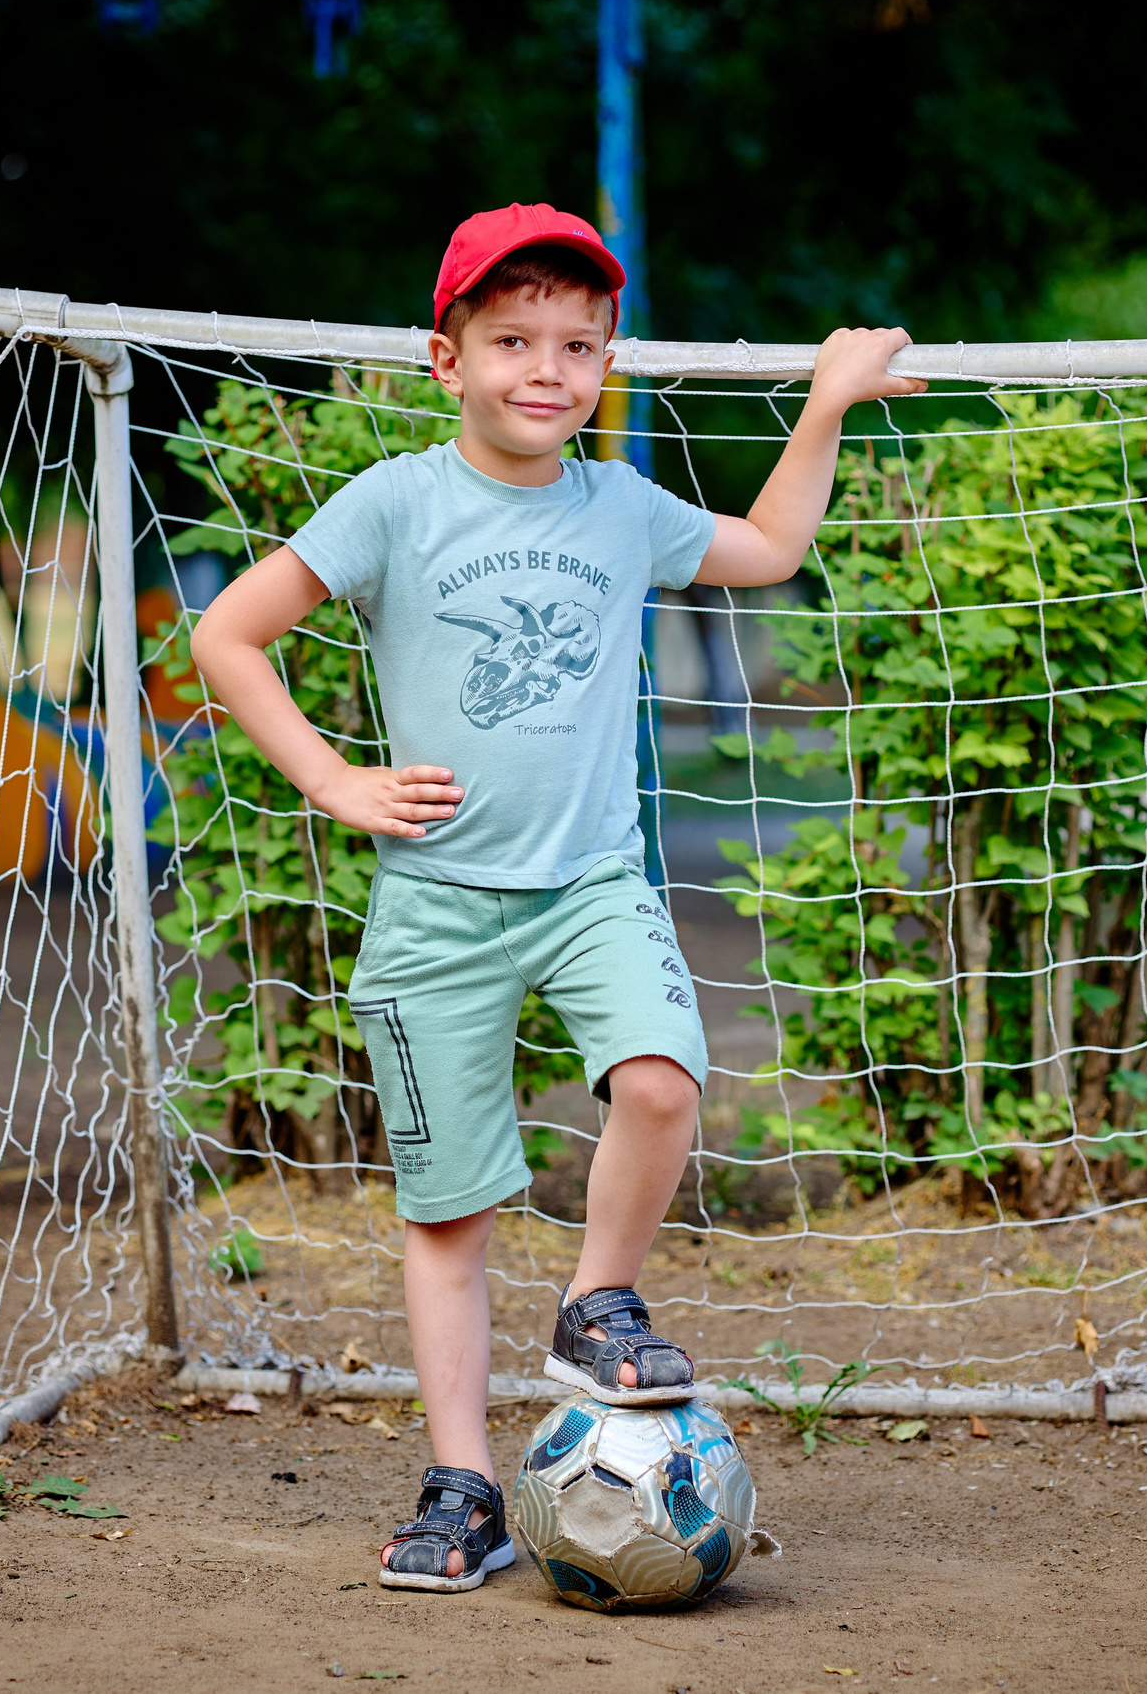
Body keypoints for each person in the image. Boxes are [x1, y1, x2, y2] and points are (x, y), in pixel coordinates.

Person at [190, 202, 919, 1593]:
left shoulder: (620, 507)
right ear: (444, 356)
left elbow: (767, 550)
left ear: (605, 363)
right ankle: (461, 1485)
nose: (546, 368)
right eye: (512, 338)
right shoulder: (396, 502)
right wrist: (332, 779)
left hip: (590, 882)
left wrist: (824, 404)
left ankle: (598, 1299)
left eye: (577, 345)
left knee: (659, 1082)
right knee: (449, 1214)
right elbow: (228, 632)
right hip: (435, 905)